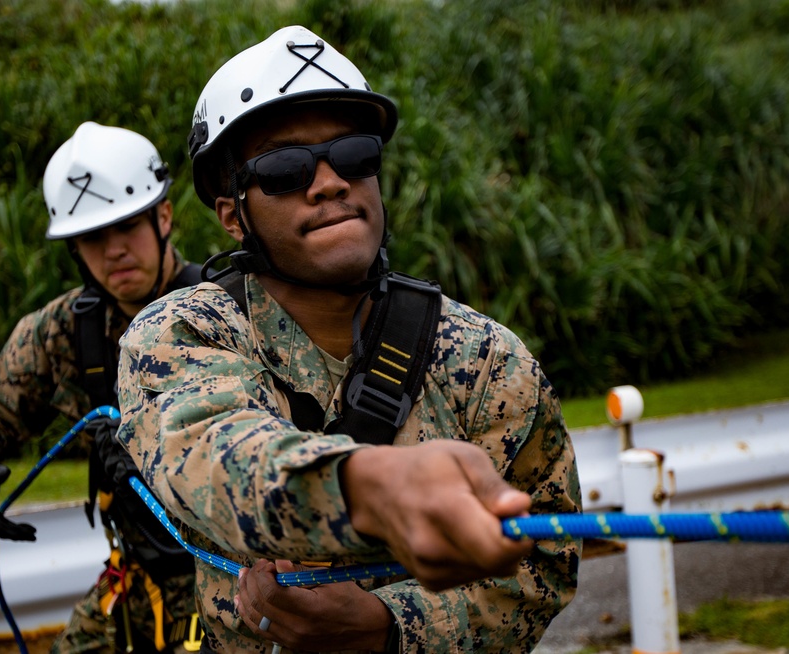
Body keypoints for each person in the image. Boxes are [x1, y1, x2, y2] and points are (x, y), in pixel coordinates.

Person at [116, 25, 581, 653]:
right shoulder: (182, 334)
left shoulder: (489, 361)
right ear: (233, 213)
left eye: (355, 154)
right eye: (285, 168)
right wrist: (367, 487)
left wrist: (391, 627)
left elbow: (546, 563)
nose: (330, 181)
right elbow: (207, 452)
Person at [0, 122, 202, 653]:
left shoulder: (227, 306)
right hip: (134, 579)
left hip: (235, 582)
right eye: (93, 238)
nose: (114, 250)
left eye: (126, 227)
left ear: (163, 217)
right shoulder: (60, 331)